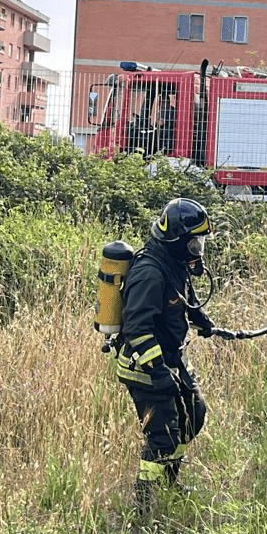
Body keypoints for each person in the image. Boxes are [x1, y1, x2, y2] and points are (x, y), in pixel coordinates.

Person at [112, 197, 218, 506]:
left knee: (192, 418)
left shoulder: (175, 264)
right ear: (177, 239)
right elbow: (137, 327)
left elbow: (184, 298)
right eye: (195, 242)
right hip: (144, 365)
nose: (198, 249)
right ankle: (144, 502)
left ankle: (170, 485)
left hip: (172, 359)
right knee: (163, 436)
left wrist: (201, 320)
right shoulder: (149, 272)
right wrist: (157, 372)